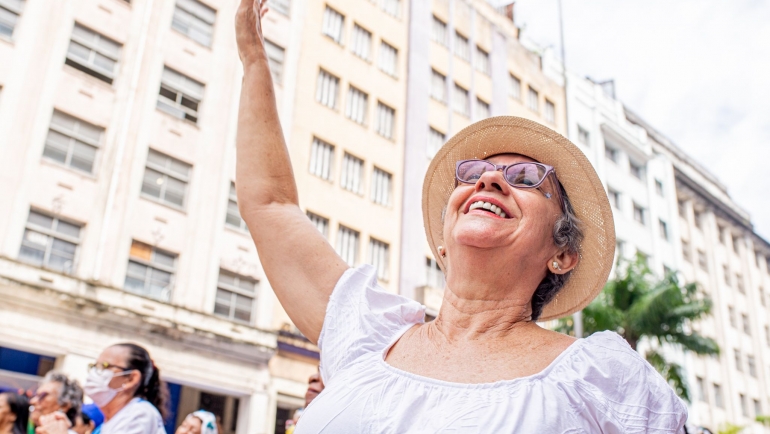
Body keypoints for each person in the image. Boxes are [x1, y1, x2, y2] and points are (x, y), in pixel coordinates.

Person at [233, 0, 688, 431]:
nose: (489, 181)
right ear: (444, 242)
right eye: (475, 173)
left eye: (527, 177)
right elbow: (270, 204)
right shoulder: (366, 335)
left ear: (562, 253)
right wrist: (255, 59)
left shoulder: (604, 378)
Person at [83, 343, 167, 434]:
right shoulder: (108, 423)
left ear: (131, 379)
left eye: (105, 366)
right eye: (95, 366)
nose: (95, 372)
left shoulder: (139, 415)